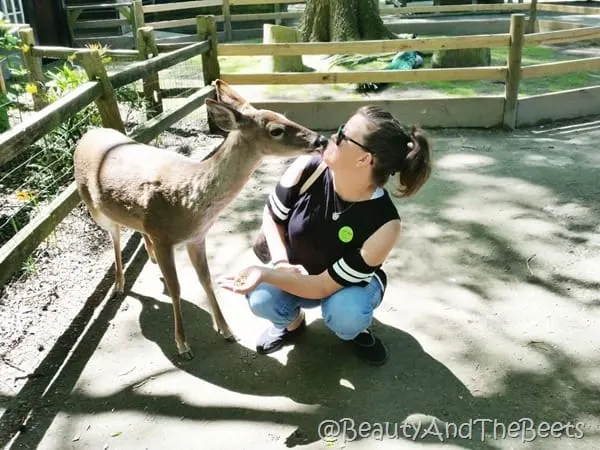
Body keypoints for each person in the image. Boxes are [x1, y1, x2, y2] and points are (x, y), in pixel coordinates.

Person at [217, 106, 432, 365]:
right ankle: (292, 324)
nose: (333, 135)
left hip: (342, 287)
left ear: (365, 159)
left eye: (344, 134)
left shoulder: (385, 224)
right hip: (297, 272)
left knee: (346, 314)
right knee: (262, 297)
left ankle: (355, 331)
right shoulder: (308, 168)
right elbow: (273, 218)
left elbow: (321, 286)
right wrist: (281, 264)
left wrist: (264, 273)